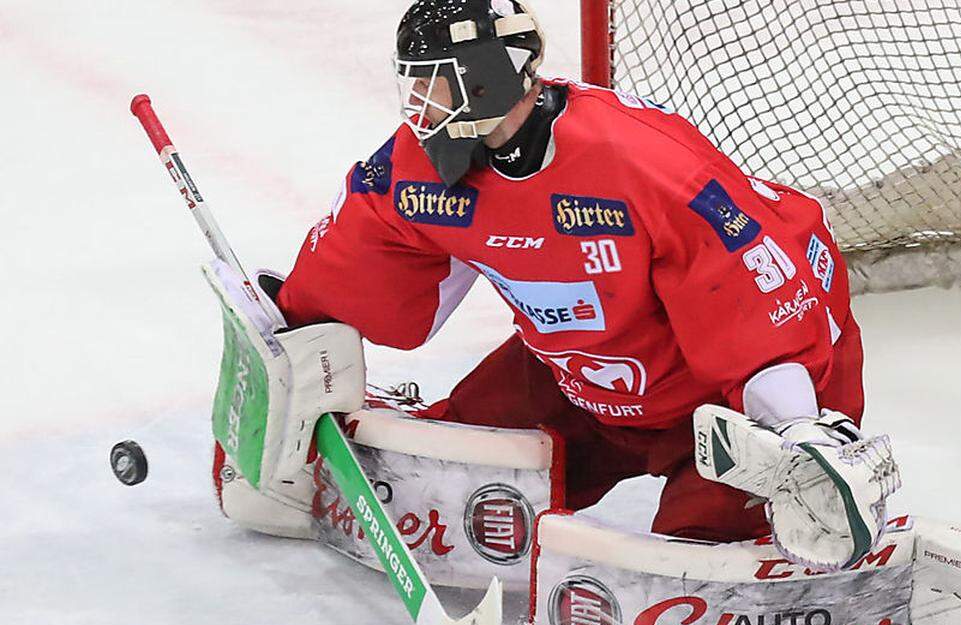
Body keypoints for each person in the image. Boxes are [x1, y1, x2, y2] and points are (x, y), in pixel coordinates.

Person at [275, 0, 866, 548]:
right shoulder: (423, 162)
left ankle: (813, 472)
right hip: (575, 377)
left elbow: (758, 300)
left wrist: (796, 427)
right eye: (413, 80)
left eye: (434, 80)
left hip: (726, 400)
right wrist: (292, 320)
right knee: (430, 482)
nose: (418, 101)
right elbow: (363, 255)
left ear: (488, 78)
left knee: (698, 558)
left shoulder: (642, 165)